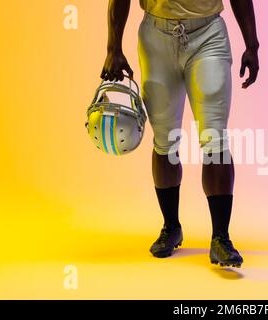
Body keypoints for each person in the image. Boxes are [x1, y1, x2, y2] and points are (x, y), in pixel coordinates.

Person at [101, 0, 259, 267]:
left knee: (215, 136)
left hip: (208, 32)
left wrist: (252, 44)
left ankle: (221, 237)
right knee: (164, 138)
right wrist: (113, 47)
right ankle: (171, 226)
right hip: (156, 35)